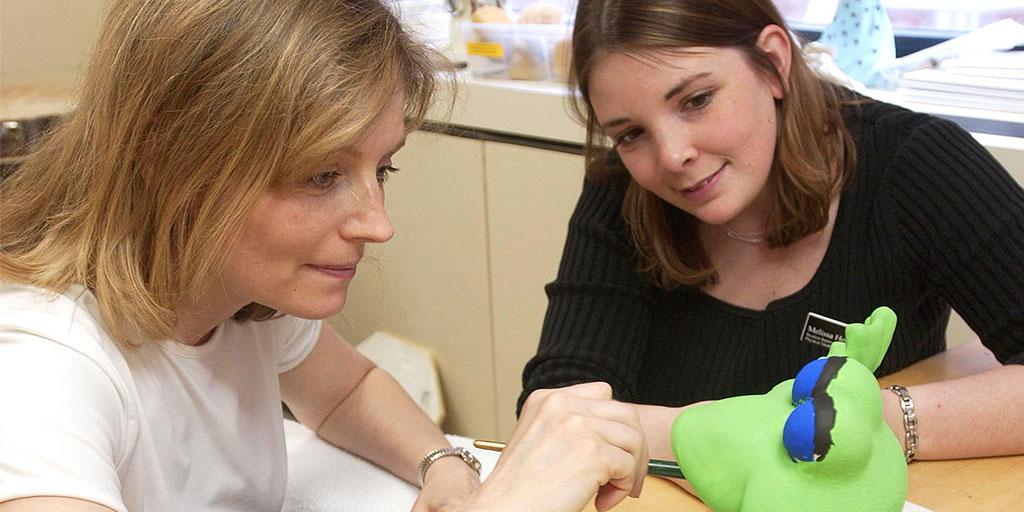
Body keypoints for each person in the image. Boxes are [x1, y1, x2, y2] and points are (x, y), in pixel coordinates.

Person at [0, 1, 647, 511]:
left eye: (382, 170)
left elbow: (346, 391)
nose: (377, 225)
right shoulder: (42, 366)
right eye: (320, 176)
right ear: (173, 164)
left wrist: (443, 465)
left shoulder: (239, 295)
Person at [521, 0, 1024, 471]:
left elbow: (585, 426)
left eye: (696, 100)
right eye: (631, 133)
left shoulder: (914, 161)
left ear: (773, 63)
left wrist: (879, 420)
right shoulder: (624, 188)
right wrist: (797, 427)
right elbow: (560, 410)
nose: (671, 156)